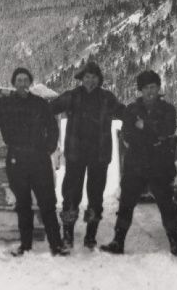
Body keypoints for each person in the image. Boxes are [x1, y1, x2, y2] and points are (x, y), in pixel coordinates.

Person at [0, 67, 68, 256]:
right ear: (14, 83)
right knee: (22, 204)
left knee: (47, 203)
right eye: (19, 80)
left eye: (25, 80)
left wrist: (49, 147)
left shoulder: (39, 104)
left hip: (39, 159)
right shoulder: (5, 104)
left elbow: (52, 127)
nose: (22, 83)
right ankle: (26, 245)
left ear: (29, 82)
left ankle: (56, 245)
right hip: (16, 159)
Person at [101, 69, 177, 258]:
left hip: (160, 165)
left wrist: (145, 127)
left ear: (159, 88)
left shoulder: (168, 109)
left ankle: (175, 244)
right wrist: (154, 135)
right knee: (126, 204)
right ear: (140, 90)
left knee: (167, 205)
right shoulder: (131, 110)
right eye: (146, 88)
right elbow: (127, 134)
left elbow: (169, 129)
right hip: (136, 164)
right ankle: (118, 241)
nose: (150, 91)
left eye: (153, 87)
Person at [50, 62, 124, 248]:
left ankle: (91, 235)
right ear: (81, 79)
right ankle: (67, 234)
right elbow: (51, 108)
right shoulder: (72, 96)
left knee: (96, 196)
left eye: (94, 77)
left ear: (99, 79)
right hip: (76, 155)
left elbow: (124, 113)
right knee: (71, 195)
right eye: (87, 77)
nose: (90, 81)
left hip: (99, 156)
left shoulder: (107, 98)